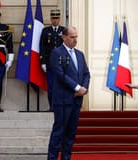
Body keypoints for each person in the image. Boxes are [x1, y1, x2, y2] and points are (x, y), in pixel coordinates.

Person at [47, 26, 90, 160]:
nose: (75, 40)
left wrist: (84, 88)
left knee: (71, 134)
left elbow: (86, 74)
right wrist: (77, 88)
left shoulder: (79, 54)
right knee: (59, 132)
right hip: (63, 100)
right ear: (64, 37)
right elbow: (60, 75)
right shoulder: (56, 52)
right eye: (72, 37)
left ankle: (66, 158)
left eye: (76, 37)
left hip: (76, 101)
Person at [40, 9, 65, 111]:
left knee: (61, 87)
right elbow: (42, 47)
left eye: (57, 18)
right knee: (51, 87)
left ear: (59, 19)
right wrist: (43, 62)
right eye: (53, 18)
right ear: (51, 19)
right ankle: (52, 106)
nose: (55, 20)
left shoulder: (64, 31)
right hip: (50, 64)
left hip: (61, 64)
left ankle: (60, 106)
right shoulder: (46, 31)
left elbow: (67, 47)